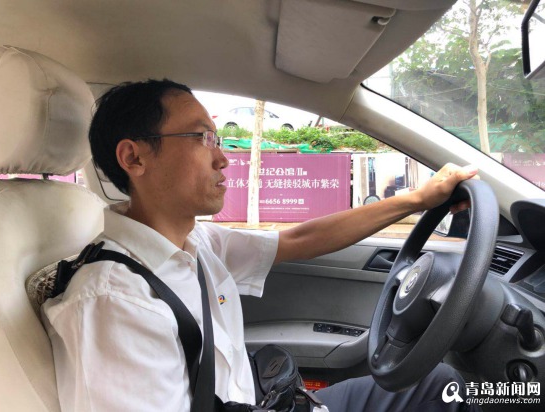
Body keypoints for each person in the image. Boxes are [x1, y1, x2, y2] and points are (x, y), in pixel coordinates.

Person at [41, 79, 479, 412]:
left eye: (216, 139)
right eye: (201, 138)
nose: (222, 157)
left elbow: (299, 239)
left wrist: (417, 200)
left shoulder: (195, 242)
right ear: (134, 157)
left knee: (442, 384)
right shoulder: (115, 302)